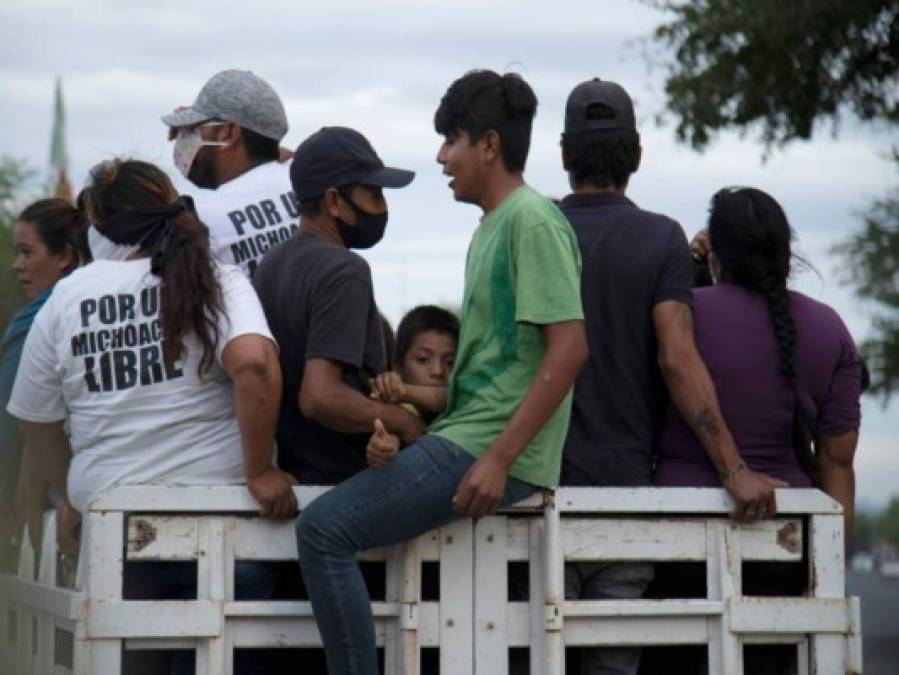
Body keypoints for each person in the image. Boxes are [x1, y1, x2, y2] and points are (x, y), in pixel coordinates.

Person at [295, 69, 587, 674]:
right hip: (466, 435)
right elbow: (495, 370)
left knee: (322, 533)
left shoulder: (532, 219)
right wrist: (404, 406)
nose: (441, 156)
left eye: (452, 139)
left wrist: (500, 459)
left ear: (488, 144)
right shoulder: (492, 227)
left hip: (486, 447)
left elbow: (569, 350)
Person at [7, 159, 296, 675]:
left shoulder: (66, 298)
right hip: (226, 531)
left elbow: (34, 419)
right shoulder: (216, 278)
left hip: (116, 540)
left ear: (95, 222)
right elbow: (253, 363)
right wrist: (259, 471)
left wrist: (71, 493)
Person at [548, 77, 786, 675]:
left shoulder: (530, 230)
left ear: (562, 153)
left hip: (532, 487)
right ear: (636, 155)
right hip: (624, 494)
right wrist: (734, 468)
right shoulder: (660, 239)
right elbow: (677, 358)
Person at [656, 187, 862, 530]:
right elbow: (837, 463)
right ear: (787, 255)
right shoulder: (829, 328)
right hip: (788, 536)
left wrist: (693, 267)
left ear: (716, 257)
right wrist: (831, 567)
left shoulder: (678, 316)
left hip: (675, 527)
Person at [252, 126, 425, 488]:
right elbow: (319, 396)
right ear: (333, 201)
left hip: (293, 478)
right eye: (374, 193)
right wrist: (403, 422)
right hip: (343, 483)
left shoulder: (270, 264)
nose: (382, 207)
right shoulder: (344, 269)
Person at [1, 198, 88, 572]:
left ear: (65, 255)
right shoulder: (44, 315)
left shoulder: (54, 319)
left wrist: (21, 499)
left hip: (54, 513)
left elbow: (26, 421)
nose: (17, 266)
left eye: (26, 252)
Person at [163, 69, 296, 277]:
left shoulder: (201, 221)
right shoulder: (309, 182)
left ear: (229, 132)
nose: (185, 138)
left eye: (195, 128)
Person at [368, 304, 459, 425]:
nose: (438, 371)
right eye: (423, 359)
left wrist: (403, 391)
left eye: (450, 362)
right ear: (398, 367)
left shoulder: (466, 408)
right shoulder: (391, 411)